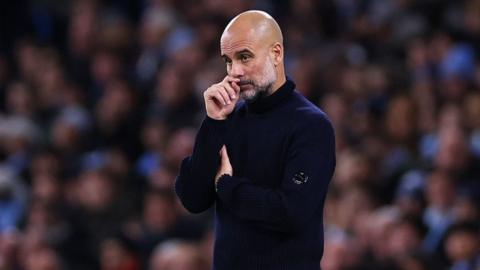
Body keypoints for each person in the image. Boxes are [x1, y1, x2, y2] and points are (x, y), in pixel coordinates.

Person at [175, 10, 336, 270]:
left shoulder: (311, 126)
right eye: (228, 61)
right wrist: (213, 123)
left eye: (245, 57)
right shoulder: (227, 119)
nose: (234, 71)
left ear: (276, 53)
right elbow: (192, 198)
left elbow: (290, 212)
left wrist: (227, 186)